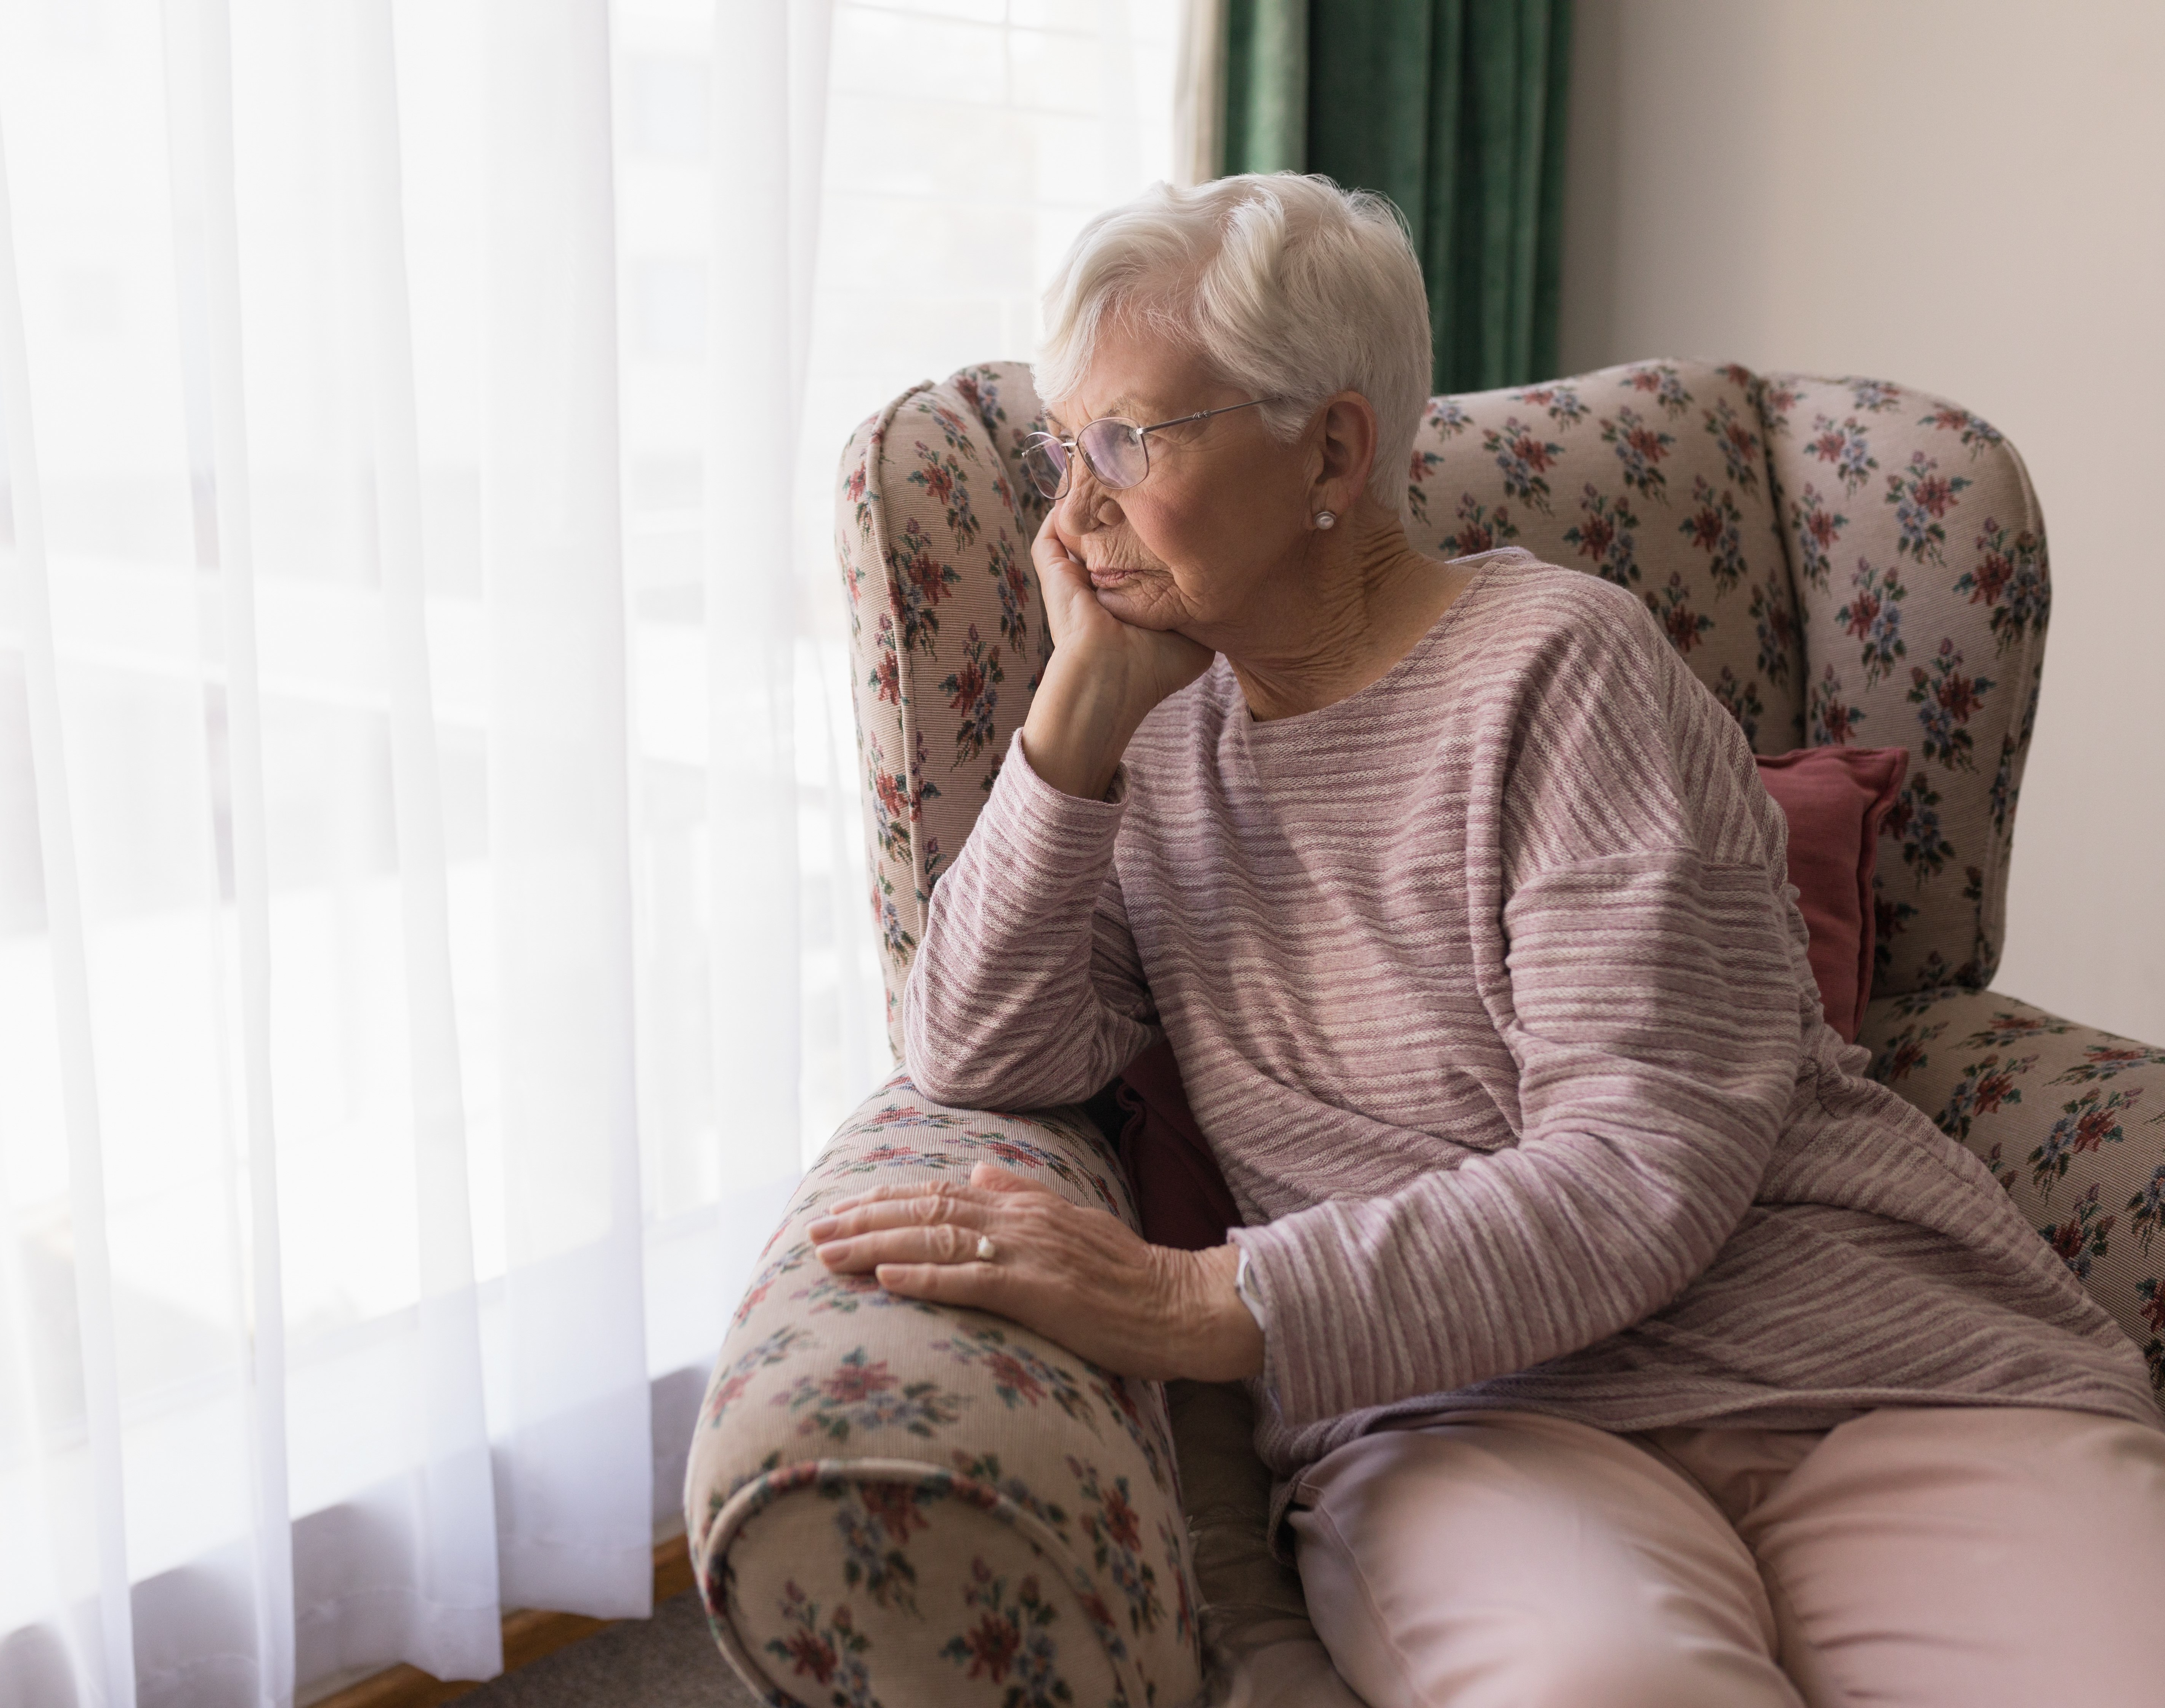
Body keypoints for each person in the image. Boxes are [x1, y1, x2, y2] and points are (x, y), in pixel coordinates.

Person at [802, 173, 2165, 1708]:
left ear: (1331, 445)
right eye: (1069, 446)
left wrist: (1197, 1303)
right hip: (1471, 1415)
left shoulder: (1560, 668)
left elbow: (1641, 1171)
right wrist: (1079, 718)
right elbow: (979, 1045)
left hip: (1872, 1367)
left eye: (1132, 439)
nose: (1072, 514)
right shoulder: (1154, 742)